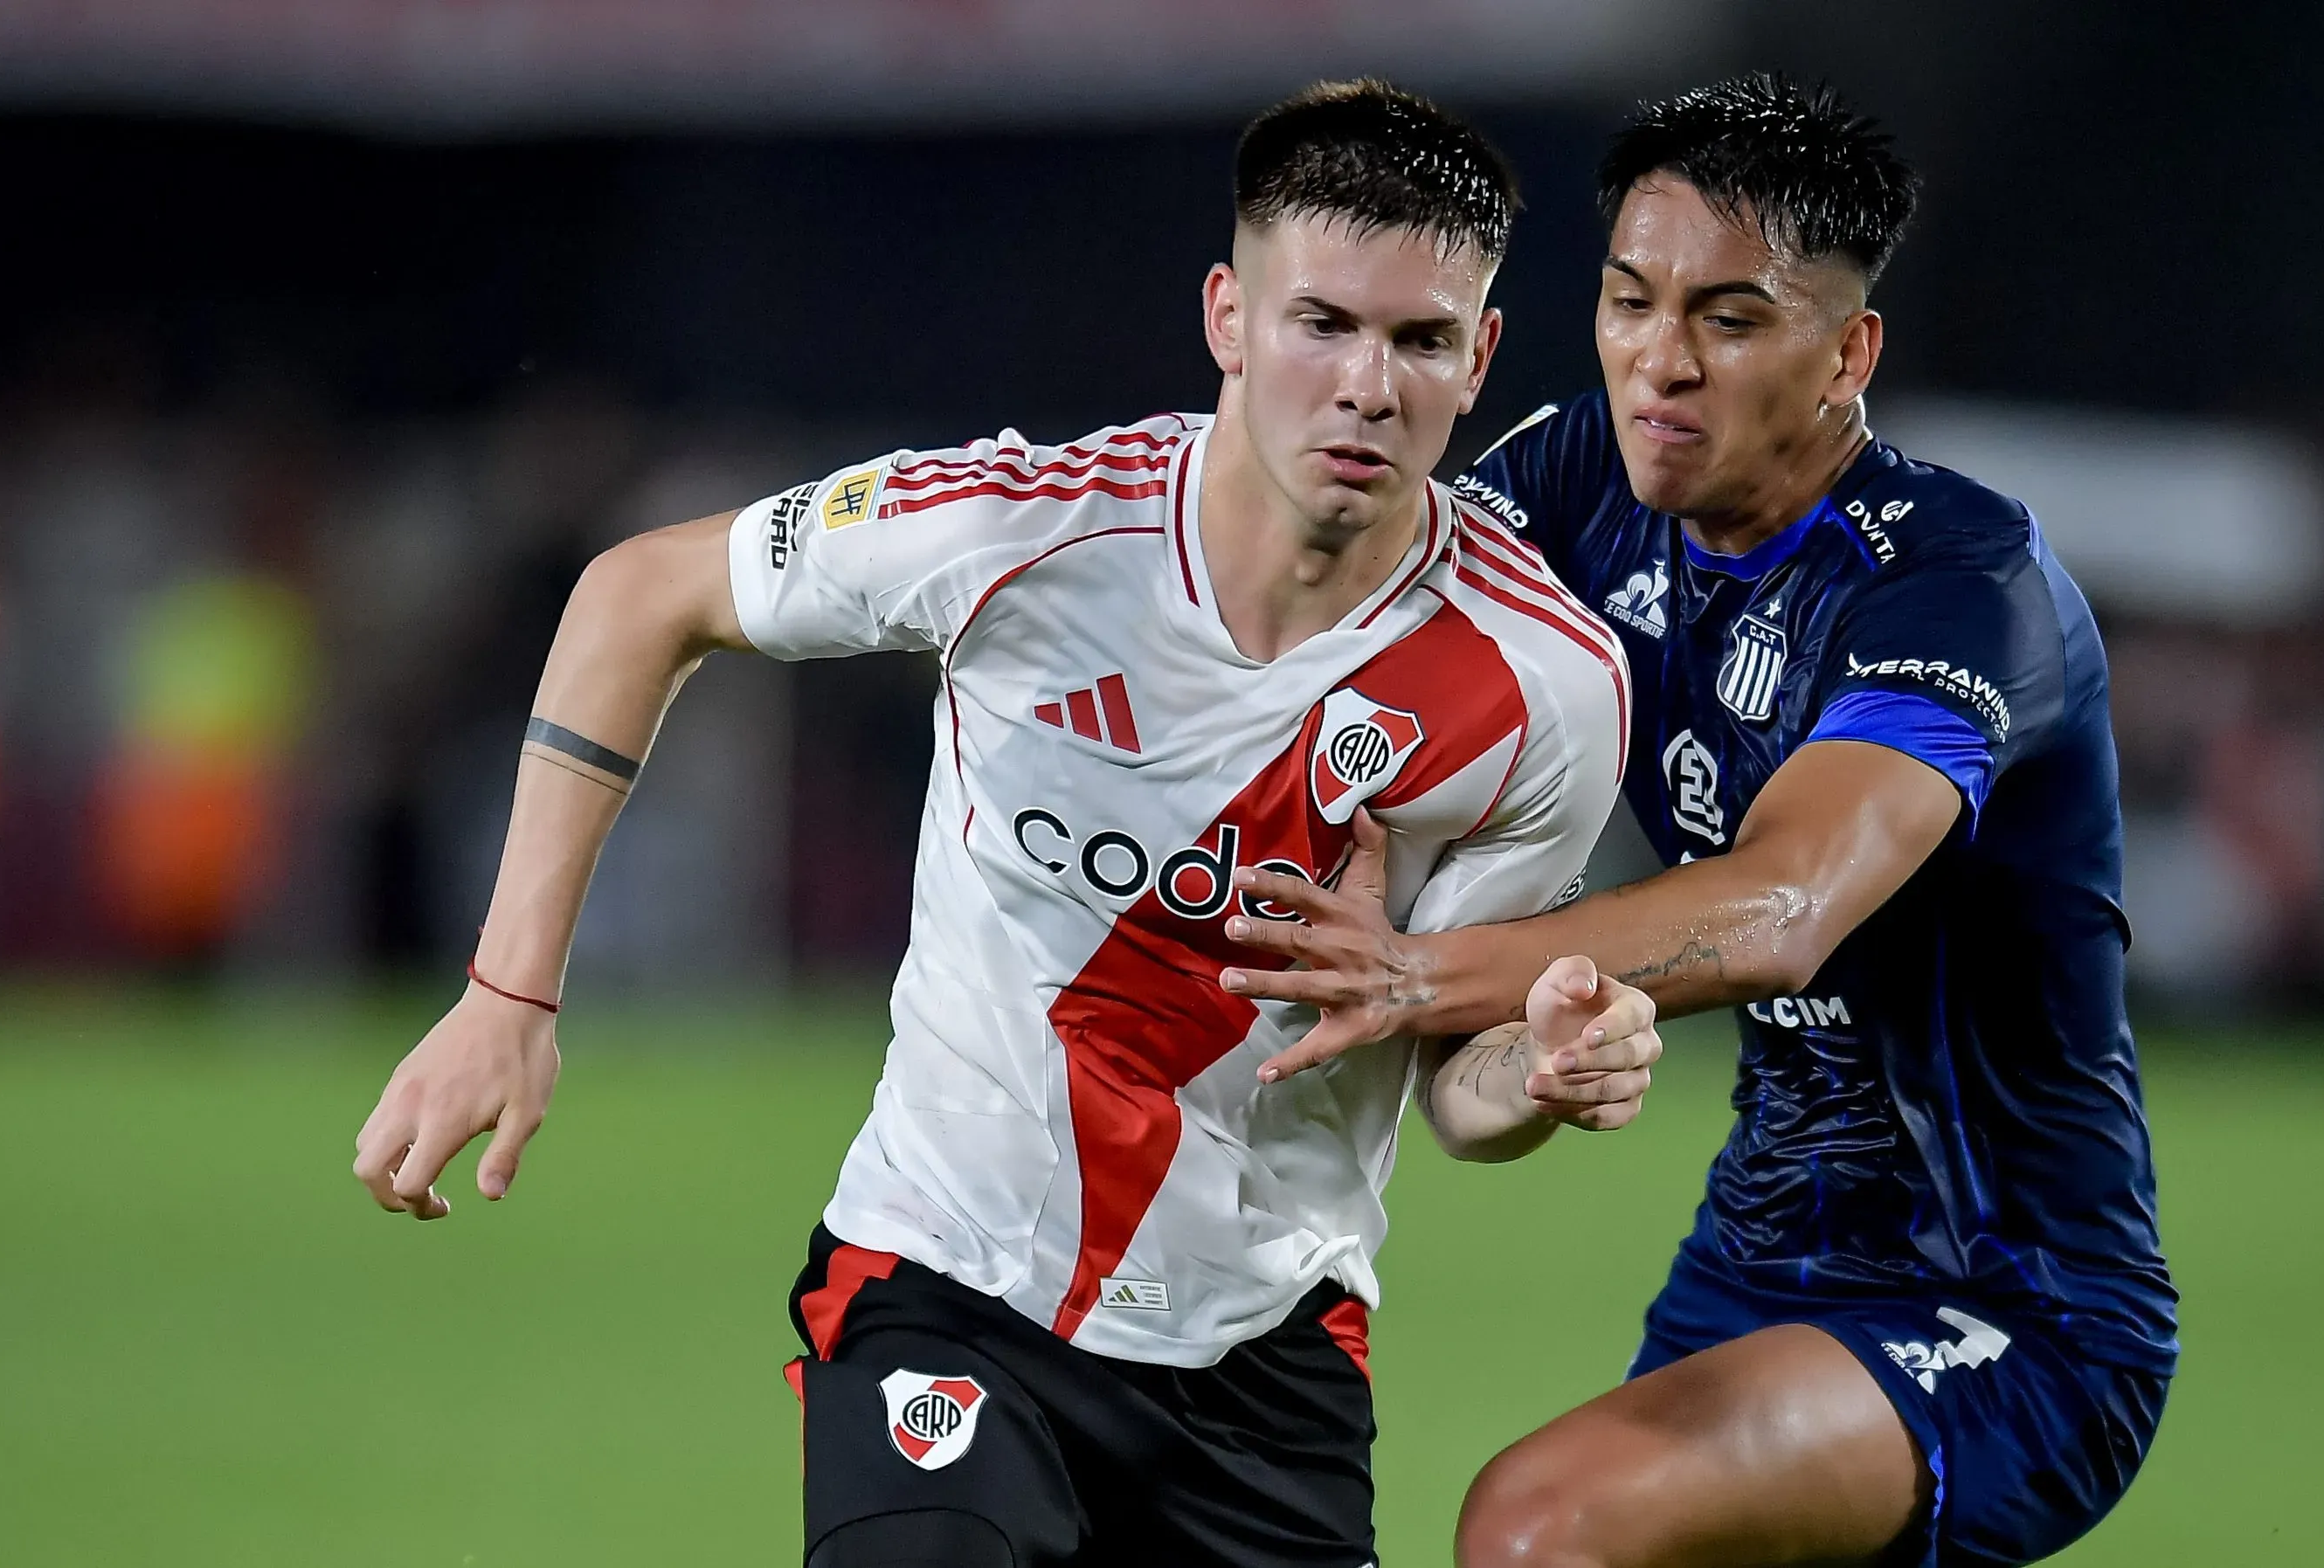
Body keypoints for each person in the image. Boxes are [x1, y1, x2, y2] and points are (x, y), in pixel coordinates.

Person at [350, 79, 1663, 1568]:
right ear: (1229, 318)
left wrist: (1541, 1069)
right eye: (1324, 324)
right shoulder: (1024, 533)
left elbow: (1454, 1088)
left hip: (1265, 1354)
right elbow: (643, 594)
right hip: (949, 1277)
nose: (1370, 384)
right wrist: (507, 991)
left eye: (1420, 339)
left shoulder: (1543, 686)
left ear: (1480, 355)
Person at [1218, 75, 2173, 1568]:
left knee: (1540, 1525)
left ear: (1848, 352)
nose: (1660, 362)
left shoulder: (1958, 584)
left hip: (2011, 1299)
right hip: (1758, 1256)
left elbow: (1787, 906)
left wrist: (1420, 973)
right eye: (1630, 301)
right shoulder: (1575, 484)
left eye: (1729, 320)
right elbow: (1342, 638)